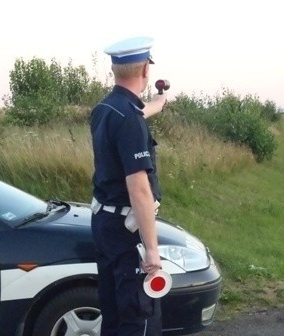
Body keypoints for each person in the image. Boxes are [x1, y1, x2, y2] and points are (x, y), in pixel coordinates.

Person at [90, 36, 167, 336]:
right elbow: (139, 190)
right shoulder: (129, 121)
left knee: (114, 316)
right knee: (138, 318)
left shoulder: (106, 109)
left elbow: (135, 115)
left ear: (115, 70)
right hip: (127, 230)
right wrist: (152, 251)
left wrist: (157, 105)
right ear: (146, 70)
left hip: (105, 223)